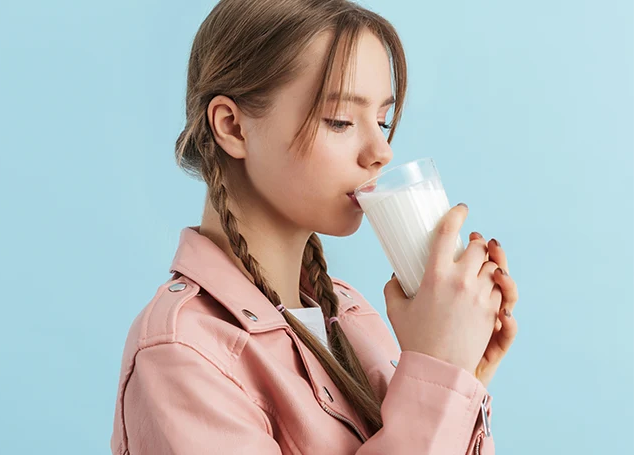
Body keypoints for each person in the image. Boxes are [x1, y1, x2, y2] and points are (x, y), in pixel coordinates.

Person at [110, 0, 519, 453]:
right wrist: (438, 369)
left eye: (382, 120)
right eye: (341, 120)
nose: (381, 150)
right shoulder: (183, 353)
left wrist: (461, 375)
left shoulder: (352, 316)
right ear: (233, 127)